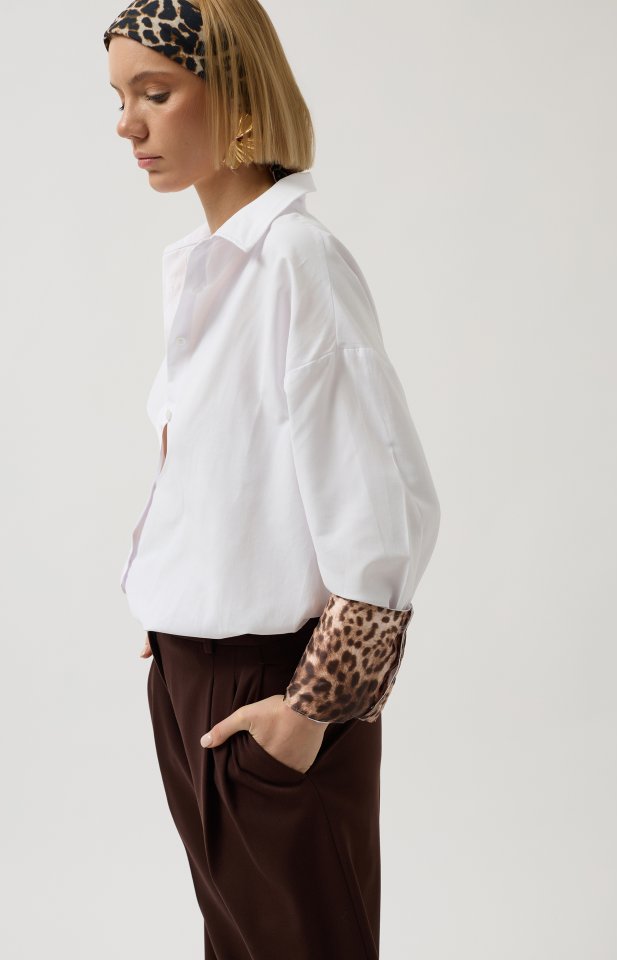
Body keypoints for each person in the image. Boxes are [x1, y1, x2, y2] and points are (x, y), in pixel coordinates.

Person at [104, 1, 441, 957]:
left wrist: (313, 706)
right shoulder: (206, 268)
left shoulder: (295, 261)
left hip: (273, 683)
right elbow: (227, 474)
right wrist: (178, 609)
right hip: (191, 680)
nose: (126, 124)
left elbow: (384, 503)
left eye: (155, 93)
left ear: (238, 91)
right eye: (119, 98)